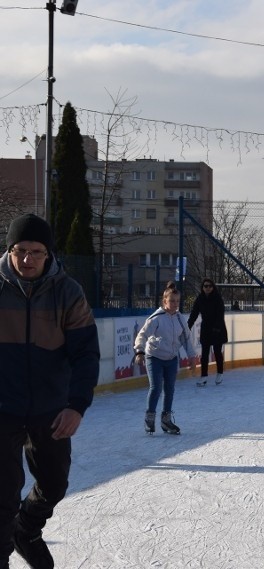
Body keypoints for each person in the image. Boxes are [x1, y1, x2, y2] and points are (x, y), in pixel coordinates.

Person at [0, 213, 100, 569]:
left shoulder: (67, 292)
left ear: (49, 254)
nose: (27, 259)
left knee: (54, 484)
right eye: (20, 250)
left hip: (50, 408)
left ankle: (25, 530)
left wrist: (76, 405)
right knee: (1, 500)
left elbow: (86, 353)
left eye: (36, 252)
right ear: (9, 249)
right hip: (3, 409)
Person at [133, 282, 196, 434]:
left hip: (172, 358)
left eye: (177, 301)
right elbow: (142, 334)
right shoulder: (156, 318)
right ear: (165, 301)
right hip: (154, 357)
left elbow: (186, 338)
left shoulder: (180, 318)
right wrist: (139, 351)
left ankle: (166, 420)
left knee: (170, 389)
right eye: (172, 301)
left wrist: (192, 356)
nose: (175, 304)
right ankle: (149, 418)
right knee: (156, 388)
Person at [188, 279, 228, 386]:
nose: (208, 288)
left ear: (213, 287)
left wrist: (216, 328)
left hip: (217, 328)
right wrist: (188, 326)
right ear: (202, 287)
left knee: (217, 352)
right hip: (206, 328)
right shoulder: (200, 299)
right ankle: (204, 376)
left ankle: (219, 372)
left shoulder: (217, 298)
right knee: (204, 353)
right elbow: (194, 313)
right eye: (205, 286)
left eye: (210, 286)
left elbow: (220, 314)